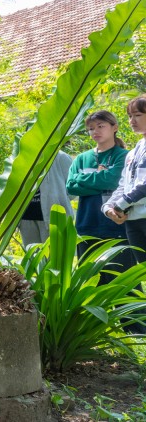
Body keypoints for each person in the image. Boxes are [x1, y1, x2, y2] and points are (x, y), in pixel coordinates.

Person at [66, 110, 128, 279]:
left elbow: (114, 180)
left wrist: (83, 179)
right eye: (91, 128)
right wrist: (101, 181)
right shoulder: (81, 158)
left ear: (114, 127)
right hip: (87, 226)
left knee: (122, 281)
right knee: (91, 281)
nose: (95, 131)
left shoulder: (123, 156)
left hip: (115, 226)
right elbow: (71, 186)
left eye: (101, 126)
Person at [103, 96, 146, 334]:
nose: (132, 121)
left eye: (137, 115)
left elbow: (144, 186)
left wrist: (121, 204)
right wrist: (109, 207)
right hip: (134, 221)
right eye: (130, 116)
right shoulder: (134, 150)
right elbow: (124, 184)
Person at [18, 151, 74, 247]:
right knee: (32, 257)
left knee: (54, 258)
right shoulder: (22, 156)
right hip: (26, 218)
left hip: (53, 218)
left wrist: (57, 198)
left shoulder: (60, 157)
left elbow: (72, 189)